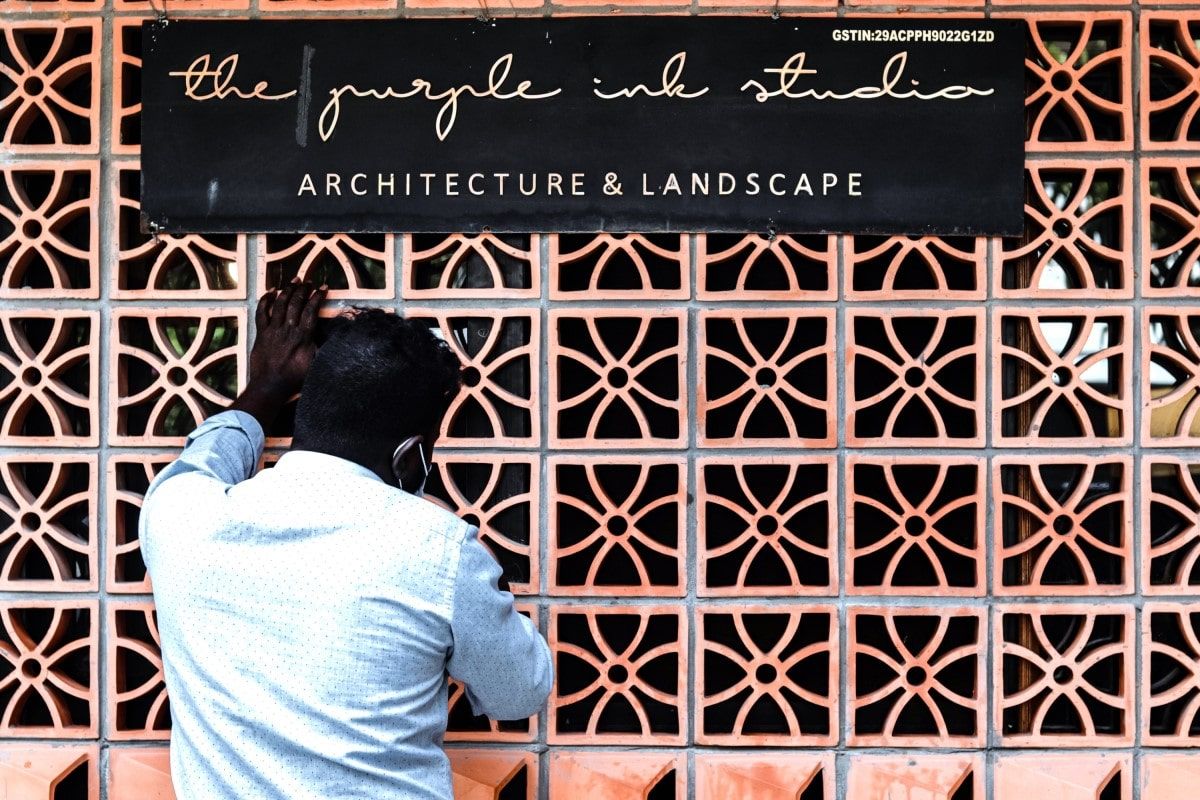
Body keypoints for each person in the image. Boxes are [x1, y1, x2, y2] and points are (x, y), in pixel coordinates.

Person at [140, 280, 553, 800]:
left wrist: (265, 387)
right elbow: (519, 692)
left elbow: (203, 458)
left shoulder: (182, 518)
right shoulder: (438, 551)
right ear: (412, 456)